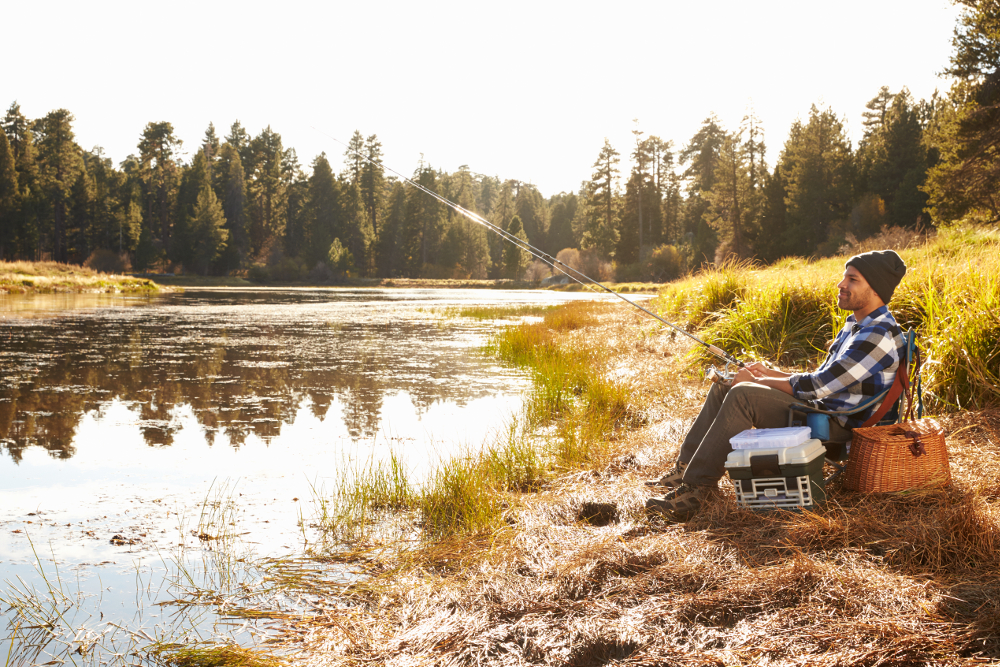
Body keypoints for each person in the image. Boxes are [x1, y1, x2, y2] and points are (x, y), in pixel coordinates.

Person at [645, 249, 908, 520]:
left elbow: (819, 386)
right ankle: (685, 469)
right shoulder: (856, 326)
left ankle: (697, 490)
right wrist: (769, 372)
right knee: (726, 384)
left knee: (743, 394)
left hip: (836, 427)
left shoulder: (876, 335)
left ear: (876, 289)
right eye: (844, 277)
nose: (841, 284)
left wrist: (758, 380)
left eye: (852, 279)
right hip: (821, 411)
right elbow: (824, 377)